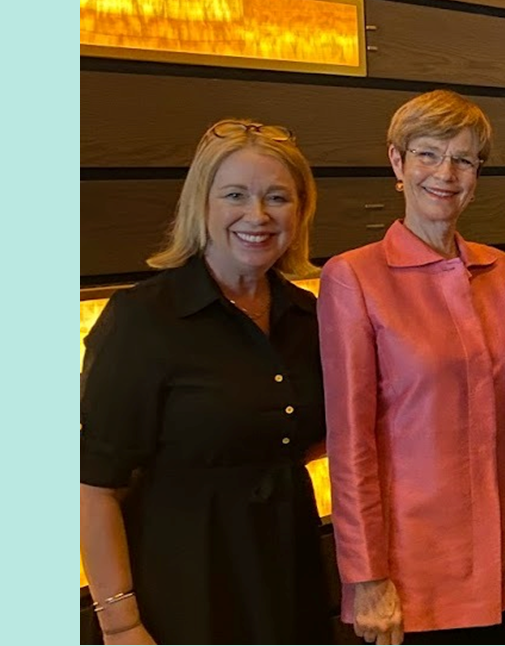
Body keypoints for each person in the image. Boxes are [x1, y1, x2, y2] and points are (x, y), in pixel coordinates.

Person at [319, 90, 505, 646]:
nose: (445, 173)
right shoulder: (353, 278)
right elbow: (351, 445)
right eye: (428, 154)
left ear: (478, 173)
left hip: (504, 552)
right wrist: (365, 576)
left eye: (463, 159)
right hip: (410, 571)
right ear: (397, 163)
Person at [80, 119, 329, 644]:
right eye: (235, 195)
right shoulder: (143, 320)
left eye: (277, 197)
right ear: (203, 205)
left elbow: (304, 435)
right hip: (184, 586)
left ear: (300, 211)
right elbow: (96, 485)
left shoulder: (309, 316)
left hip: (291, 571)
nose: (256, 216)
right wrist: (120, 623)